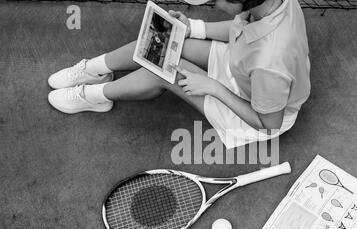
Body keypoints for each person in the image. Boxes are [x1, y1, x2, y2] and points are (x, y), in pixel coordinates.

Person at [47, 0, 310, 148]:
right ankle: (94, 70)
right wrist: (192, 28)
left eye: (215, 0)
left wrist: (213, 86)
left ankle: (95, 96)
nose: (211, 3)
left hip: (256, 111)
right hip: (245, 65)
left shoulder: (270, 63)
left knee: (162, 71)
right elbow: (241, 25)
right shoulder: (273, 3)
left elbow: (269, 123)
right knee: (164, 35)